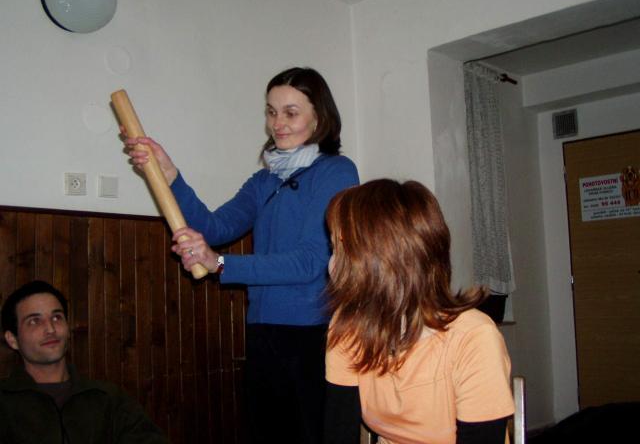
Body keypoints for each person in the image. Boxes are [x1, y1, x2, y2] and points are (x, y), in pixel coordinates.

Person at [122, 67, 359, 444]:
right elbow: (214, 227)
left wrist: (219, 263)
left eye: (291, 112)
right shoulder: (264, 181)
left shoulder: (336, 172)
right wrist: (170, 175)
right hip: (262, 331)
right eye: (271, 112)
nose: (277, 123)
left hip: (313, 334)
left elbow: (309, 262)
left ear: (319, 117)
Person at [323, 179, 514, 444]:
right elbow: (338, 432)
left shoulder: (473, 338)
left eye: (339, 247)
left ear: (381, 258)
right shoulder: (349, 327)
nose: (331, 264)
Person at [0, 280, 167, 444]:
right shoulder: (4, 403)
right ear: (13, 339)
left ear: (68, 328)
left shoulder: (107, 399)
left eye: (57, 317)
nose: (50, 329)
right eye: (34, 321)